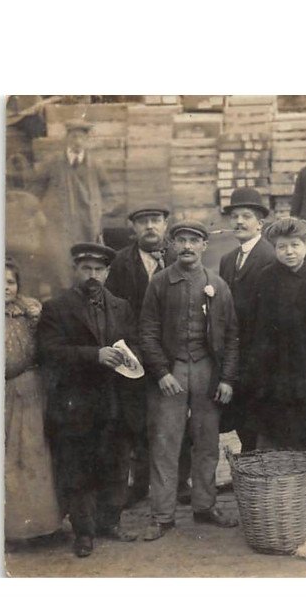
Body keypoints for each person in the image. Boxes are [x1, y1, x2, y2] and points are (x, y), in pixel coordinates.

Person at [37, 243, 141, 557]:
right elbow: (48, 352)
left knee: (116, 463)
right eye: (86, 269)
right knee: (78, 467)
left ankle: (110, 522)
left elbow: (133, 343)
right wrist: (93, 355)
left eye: (98, 269)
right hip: (76, 402)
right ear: (76, 270)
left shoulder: (121, 306)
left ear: (108, 272)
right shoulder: (57, 308)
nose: (92, 275)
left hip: (114, 400)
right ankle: (84, 533)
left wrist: (130, 358)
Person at [139, 220, 239, 540]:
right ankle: (162, 515)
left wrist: (226, 378)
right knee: (165, 444)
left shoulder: (217, 285)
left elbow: (233, 336)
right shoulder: (158, 283)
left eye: (193, 241)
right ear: (171, 245)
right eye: (180, 240)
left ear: (203, 246)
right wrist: (161, 372)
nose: (186, 246)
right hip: (172, 370)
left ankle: (204, 506)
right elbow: (148, 333)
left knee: (207, 441)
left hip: (207, 370)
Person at [105, 202, 188, 506]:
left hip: (176, 353)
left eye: (156, 220)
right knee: (138, 421)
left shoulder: (180, 256)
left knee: (180, 419)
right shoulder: (120, 264)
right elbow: (114, 311)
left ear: (166, 224)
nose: (150, 227)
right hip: (136, 354)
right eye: (143, 222)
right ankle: (139, 484)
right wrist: (132, 352)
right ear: (133, 229)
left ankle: (181, 483)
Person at [246, 217, 306, 451]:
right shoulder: (266, 278)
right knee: (278, 426)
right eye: (282, 247)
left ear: (305, 245)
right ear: (274, 248)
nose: (289, 252)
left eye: (295, 245)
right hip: (277, 369)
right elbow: (259, 327)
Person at [4, 257, 62, 546]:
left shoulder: (27, 312)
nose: (4, 289)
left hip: (31, 389)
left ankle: (42, 525)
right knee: (8, 458)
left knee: (35, 454)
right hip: (0, 393)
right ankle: (11, 529)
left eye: (10, 283)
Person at [218, 187, 276, 452]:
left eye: (247, 216)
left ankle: (259, 468)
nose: (239, 221)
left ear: (260, 223)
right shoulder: (228, 260)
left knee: (260, 415)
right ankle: (250, 466)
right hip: (236, 352)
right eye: (235, 216)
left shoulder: (269, 256)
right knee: (241, 415)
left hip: (261, 353)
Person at [28, 119, 115, 289]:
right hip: (59, 228)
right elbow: (34, 190)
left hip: (87, 228)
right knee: (60, 269)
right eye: (74, 136)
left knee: (86, 267)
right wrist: (38, 211)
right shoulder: (53, 162)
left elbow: (110, 196)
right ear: (67, 138)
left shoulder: (94, 165)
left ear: (86, 141)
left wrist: (98, 213)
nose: (77, 141)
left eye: (81, 137)